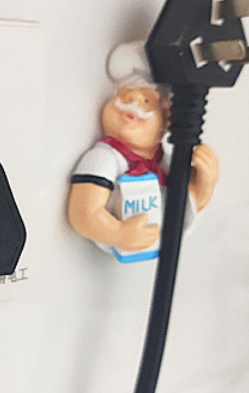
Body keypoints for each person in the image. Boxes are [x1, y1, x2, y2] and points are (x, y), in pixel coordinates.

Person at [68, 76, 219, 262]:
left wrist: (204, 185)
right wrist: (118, 233)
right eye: (125, 97)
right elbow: (83, 213)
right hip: (93, 258)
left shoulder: (164, 164)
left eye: (147, 101)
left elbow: (182, 206)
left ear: (165, 123)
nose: (134, 102)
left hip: (149, 251)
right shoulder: (104, 158)